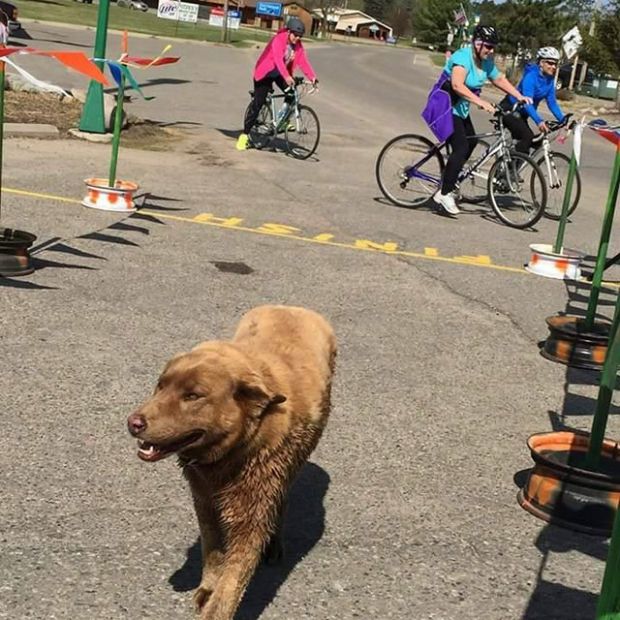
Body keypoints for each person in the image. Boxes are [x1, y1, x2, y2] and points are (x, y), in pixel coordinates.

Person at [426, 25, 531, 216]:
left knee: (472, 141)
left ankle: (451, 178)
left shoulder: (486, 62)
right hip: (445, 107)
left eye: (493, 48)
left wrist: (519, 95)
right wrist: (480, 101)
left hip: (460, 110)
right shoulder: (463, 57)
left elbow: (499, 80)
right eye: (488, 47)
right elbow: (457, 85)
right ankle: (444, 193)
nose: (491, 51)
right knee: (461, 147)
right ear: (477, 43)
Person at [236, 17, 318, 151]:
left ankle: (283, 121)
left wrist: (313, 78)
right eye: (295, 35)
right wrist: (286, 76)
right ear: (289, 31)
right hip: (265, 73)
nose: (297, 38)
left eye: (300, 36)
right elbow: (278, 60)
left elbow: (303, 61)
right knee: (259, 103)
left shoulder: (298, 46)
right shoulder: (279, 40)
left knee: (291, 93)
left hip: (279, 73)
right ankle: (244, 135)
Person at [499, 46, 566, 155]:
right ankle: (506, 170)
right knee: (527, 137)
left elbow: (552, 103)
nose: (553, 67)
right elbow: (527, 102)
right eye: (550, 63)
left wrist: (563, 120)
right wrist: (538, 121)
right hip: (510, 109)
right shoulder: (530, 77)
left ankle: (514, 165)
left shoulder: (549, 80)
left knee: (532, 143)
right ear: (541, 63)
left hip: (522, 114)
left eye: (555, 64)